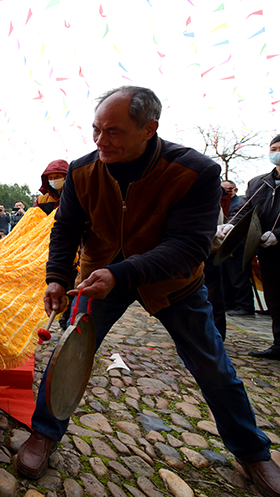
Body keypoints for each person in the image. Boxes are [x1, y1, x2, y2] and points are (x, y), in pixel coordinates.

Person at [14, 86, 279, 497]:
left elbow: (189, 246)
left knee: (212, 364)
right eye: (96, 130)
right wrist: (57, 278)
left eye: (114, 132)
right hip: (96, 277)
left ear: (149, 128)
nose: (101, 142)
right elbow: (65, 228)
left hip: (172, 282)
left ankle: (253, 451)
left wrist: (122, 273)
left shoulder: (196, 171)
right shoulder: (83, 171)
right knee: (69, 352)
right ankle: (43, 433)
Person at [226, 134, 280, 360]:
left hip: (276, 240)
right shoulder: (259, 182)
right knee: (275, 298)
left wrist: (278, 235)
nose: (275, 152)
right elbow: (246, 210)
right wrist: (229, 226)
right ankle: (278, 345)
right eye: (273, 148)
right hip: (266, 251)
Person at [219, 180, 257, 317]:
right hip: (225, 243)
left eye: (228, 189)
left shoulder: (238, 204)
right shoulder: (222, 203)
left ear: (235, 190)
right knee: (227, 277)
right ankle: (230, 303)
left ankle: (245, 306)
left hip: (238, 245)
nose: (224, 192)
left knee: (238, 277)